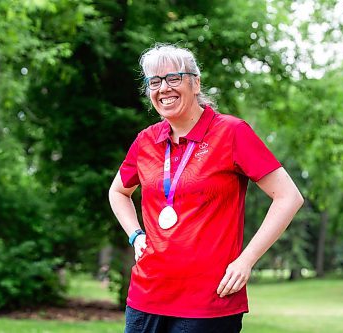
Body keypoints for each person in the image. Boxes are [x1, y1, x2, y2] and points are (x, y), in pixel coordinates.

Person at [109, 43, 304, 333]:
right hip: (146, 295)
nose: (164, 88)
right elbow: (118, 192)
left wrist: (246, 260)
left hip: (209, 300)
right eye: (155, 81)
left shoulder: (231, 132)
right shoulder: (146, 140)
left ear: (195, 82)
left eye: (174, 78)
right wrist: (135, 235)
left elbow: (288, 197)